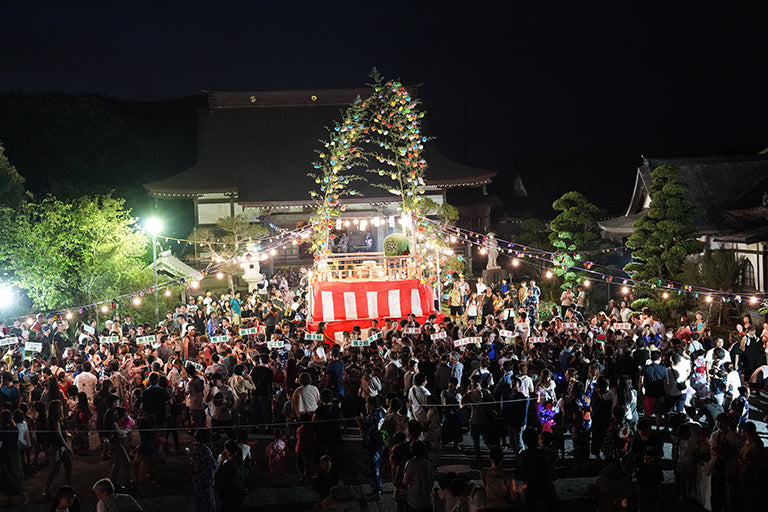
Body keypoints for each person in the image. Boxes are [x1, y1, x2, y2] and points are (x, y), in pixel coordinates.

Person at [44, 399, 72, 498]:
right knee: (56, 469)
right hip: (58, 447)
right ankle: (46, 490)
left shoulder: (53, 419)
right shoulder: (56, 420)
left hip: (58, 446)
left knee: (67, 467)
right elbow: (59, 436)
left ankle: (69, 489)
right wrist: (67, 447)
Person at [0, 409, 26, 502]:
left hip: (6, 452)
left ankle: (11, 492)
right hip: (15, 451)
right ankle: (20, 491)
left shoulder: (3, 430)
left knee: (8, 472)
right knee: (16, 470)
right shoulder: (14, 428)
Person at [215, 439, 247, 512]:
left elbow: (219, 474)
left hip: (231, 493)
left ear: (227, 451)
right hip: (240, 492)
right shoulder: (240, 462)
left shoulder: (229, 465)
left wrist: (222, 461)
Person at [402, 440, 434, 512]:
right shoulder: (429, 464)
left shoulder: (410, 464)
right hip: (427, 500)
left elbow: (405, 481)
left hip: (413, 500)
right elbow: (431, 481)